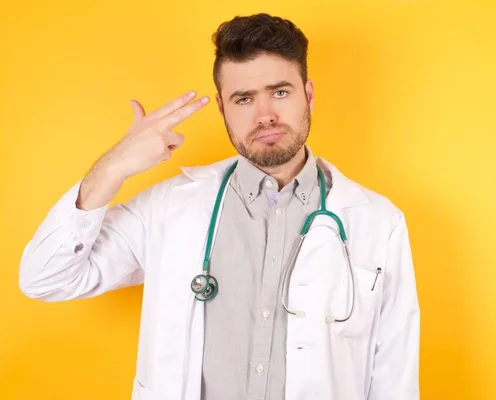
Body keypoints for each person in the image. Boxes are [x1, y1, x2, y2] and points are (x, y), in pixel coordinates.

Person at [18, 13, 420, 400]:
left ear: (308, 95)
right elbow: (46, 278)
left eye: (280, 92)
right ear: (223, 107)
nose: (266, 116)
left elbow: (394, 377)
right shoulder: (170, 208)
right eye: (244, 99)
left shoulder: (377, 222)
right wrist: (115, 165)